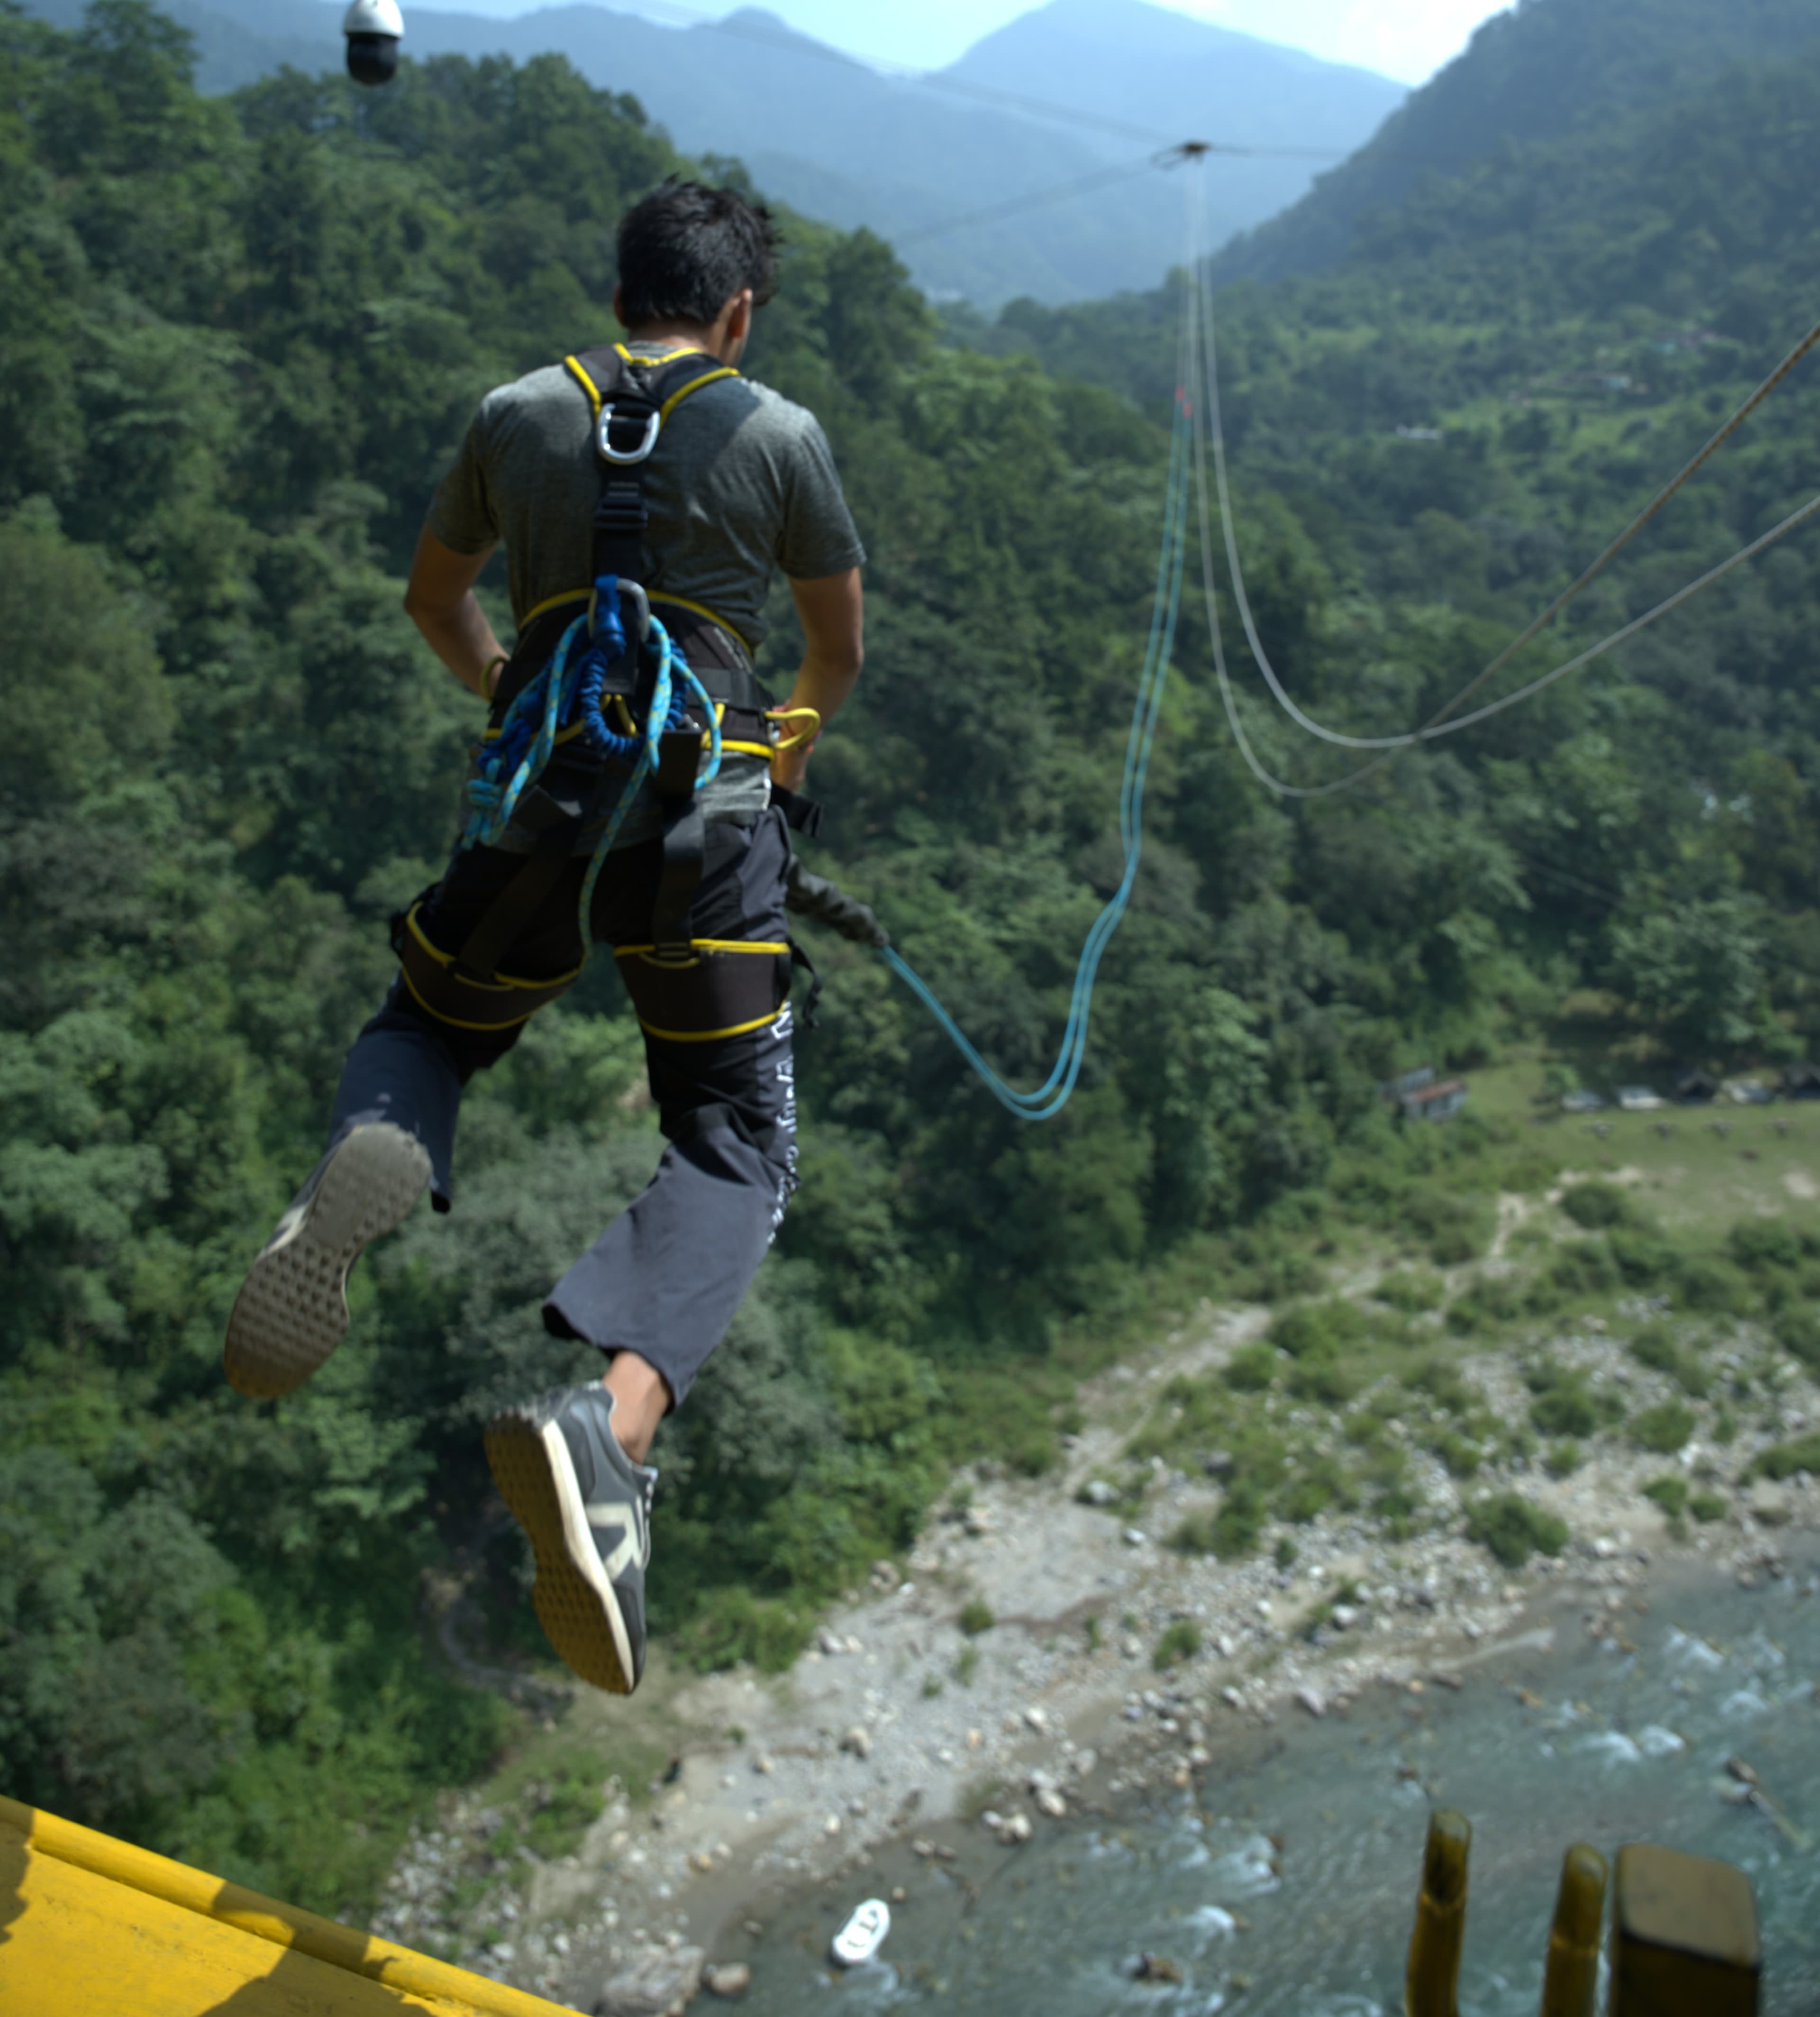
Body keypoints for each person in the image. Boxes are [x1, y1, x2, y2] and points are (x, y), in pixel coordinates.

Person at [221, 181, 865, 1698]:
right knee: (732, 1143)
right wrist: (776, 760)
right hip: (706, 831)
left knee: (432, 1027)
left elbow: (431, 597)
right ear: (738, 316)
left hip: (538, 805)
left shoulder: (517, 414)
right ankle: (612, 1433)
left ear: (620, 287)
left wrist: (518, 690)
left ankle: (361, 1161)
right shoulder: (777, 434)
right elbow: (835, 651)